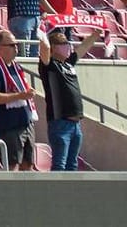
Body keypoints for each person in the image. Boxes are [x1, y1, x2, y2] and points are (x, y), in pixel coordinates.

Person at [39, 28, 102, 171]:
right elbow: (44, 48)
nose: (68, 46)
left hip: (75, 124)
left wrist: (95, 34)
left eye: (68, 43)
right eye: (64, 44)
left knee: (72, 165)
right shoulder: (49, 65)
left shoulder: (68, 64)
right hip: (60, 122)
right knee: (59, 164)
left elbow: (82, 49)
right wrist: (43, 32)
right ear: (54, 47)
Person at [0, 29, 38, 171]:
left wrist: (27, 93)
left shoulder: (16, 67)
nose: (16, 48)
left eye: (16, 44)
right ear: (1, 47)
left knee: (28, 164)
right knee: (13, 166)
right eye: (12, 45)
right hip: (9, 127)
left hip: (26, 123)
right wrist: (20, 96)